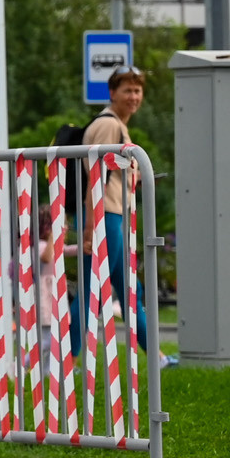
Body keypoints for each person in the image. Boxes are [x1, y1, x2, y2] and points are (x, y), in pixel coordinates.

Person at [72, 68, 157, 360]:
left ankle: (156, 356)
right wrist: (89, 227)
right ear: (112, 93)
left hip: (110, 216)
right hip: (103, 217)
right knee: (91, 291)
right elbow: (97, 178)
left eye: (137, 90)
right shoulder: (109, 125)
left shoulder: (115, 124)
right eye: (127, 91)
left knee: (129, 291)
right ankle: (66, 360)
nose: (133, 97)